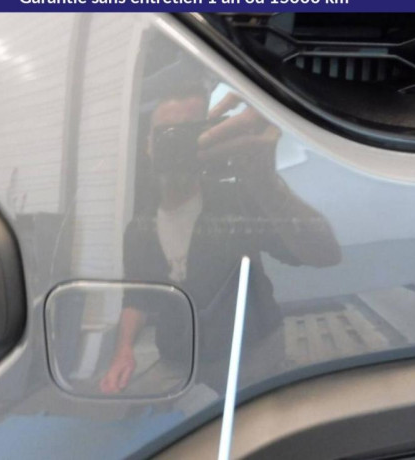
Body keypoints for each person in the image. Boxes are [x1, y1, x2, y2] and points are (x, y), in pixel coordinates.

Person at [100, 82, 341, 395]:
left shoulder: (239, 199)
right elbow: (137, 297)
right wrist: (123, 351)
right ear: (149, 145)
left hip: (252, 354)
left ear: (210, 136)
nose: (178, 144)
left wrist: (267, 183)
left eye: (189, 134)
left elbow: (325, 254)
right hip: (179, 360)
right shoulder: (140, 228)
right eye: (167, 134)